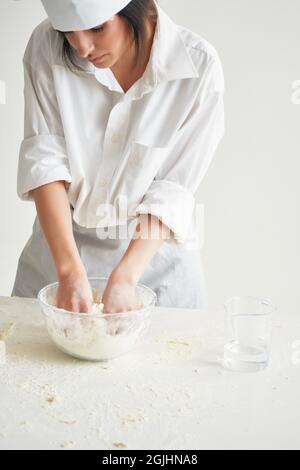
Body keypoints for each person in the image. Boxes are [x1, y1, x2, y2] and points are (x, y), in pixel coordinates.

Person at [11, 0, 225, 313]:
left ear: (140, 8)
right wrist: (69, 272)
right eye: (68, 31)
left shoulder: (198, 67)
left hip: (154, 264)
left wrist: (126, 278)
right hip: (59, 255)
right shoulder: (46, 46)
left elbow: (171, 191)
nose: (82, 48)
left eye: (97, 28)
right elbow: (46, 165)